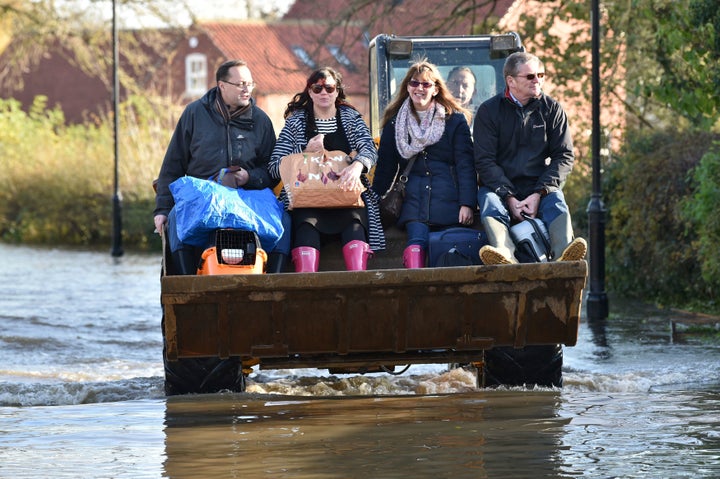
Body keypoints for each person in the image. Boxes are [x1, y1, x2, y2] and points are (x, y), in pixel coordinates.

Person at [153, 59, 291, 274]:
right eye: (240, 84)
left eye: (250, 84)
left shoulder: (261, 120)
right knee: (175, 217)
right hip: (202, 194)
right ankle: (186, 285)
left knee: (283, 219)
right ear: (222, 85)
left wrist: (250, 177)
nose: (247, 89)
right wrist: (162, 209)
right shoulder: (194, 114)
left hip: (247, 197)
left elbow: (271, 170)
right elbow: (173, 164)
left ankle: (274, 284)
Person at [473, 51, 586, 265]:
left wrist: (539, 192)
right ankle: (504, 254)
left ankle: (564, 253)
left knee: (556, 200)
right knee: (489, 201)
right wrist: (509, 196)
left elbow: (564, 156)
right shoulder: (488, 111)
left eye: (541, 75)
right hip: (500, 188)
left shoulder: (552, 109)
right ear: (511, 81)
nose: (538, 80)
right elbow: (484, 161)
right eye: (531, 76)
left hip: (538, 185)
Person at [268, 67, 385, 272]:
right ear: (310, 92)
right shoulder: (296, 122)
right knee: (305, 230)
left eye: (329, 88)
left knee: (356, 227)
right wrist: (303, 151)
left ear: (337, 91)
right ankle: (307, 288)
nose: (324, 93)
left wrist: (357, 166)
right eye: (317, 88)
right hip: (307, 201)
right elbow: (274, 167)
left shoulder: (350, 117)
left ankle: (360, 284)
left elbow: (370, 149)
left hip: (347, 197)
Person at [372, 60, 477, 268]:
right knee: (415, 246)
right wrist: (373, 201)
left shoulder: (454, 121)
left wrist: (467, 203)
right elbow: (385, 168)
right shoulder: (395, 123)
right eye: (414, 83)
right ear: (407, 87)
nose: (419, 88)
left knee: (448, 249)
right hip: (413, 199)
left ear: (436, 89)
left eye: (426, 84)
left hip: (449, 198)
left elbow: (466, 165)